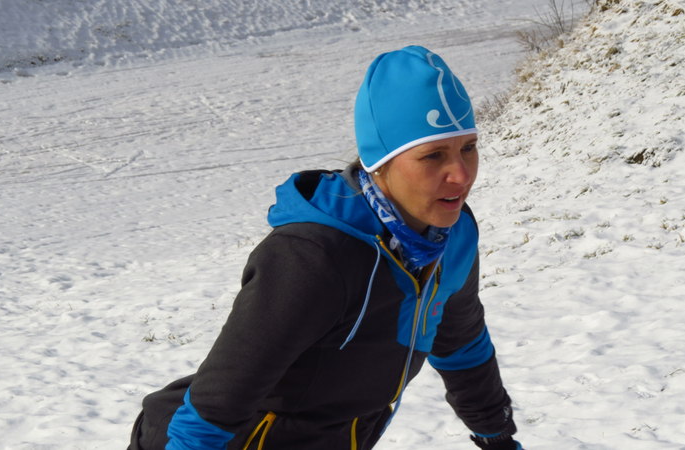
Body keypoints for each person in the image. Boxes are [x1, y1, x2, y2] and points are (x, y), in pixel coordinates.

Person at [129, 45, 522, 450]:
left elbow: (460, 343)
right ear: (380, 162)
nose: (461, 175)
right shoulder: (313, 255)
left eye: (468, 148)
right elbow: (218, 403)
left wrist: (496, 435)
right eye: (433, 155)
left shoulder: (452, 238)